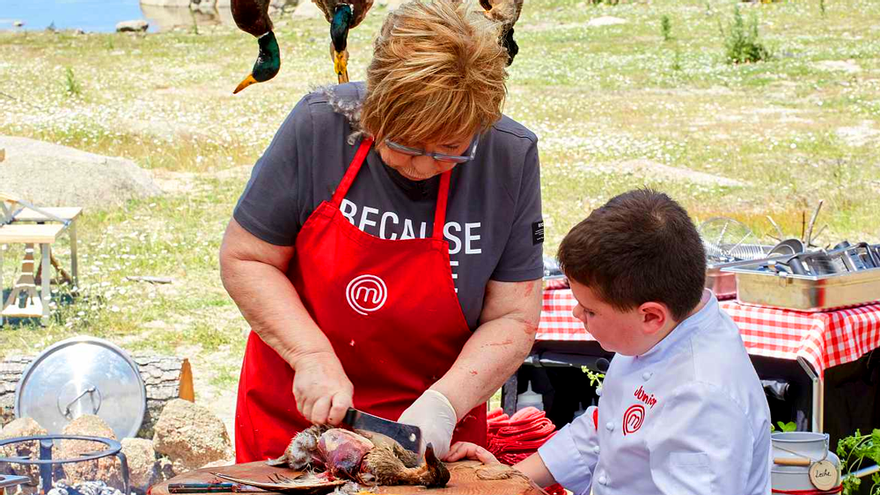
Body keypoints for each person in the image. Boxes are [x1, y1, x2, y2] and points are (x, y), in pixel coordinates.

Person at [219, 0, 544, 464]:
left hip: (429, 434)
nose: (424, 166)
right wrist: (309, 354)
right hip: (302, 420)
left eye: (449, 149)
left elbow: (513, 317)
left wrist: (444, 404)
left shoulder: (509, 158)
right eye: (404, 144)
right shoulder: (319, 125)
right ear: (374, 110)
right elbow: (246, 258)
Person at [447, 189, 772, 494]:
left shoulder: (704, 397)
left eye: (589, 310)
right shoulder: (658, 333)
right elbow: (605, 428)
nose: (576, 313)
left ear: (650, 316)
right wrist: (512, 478)